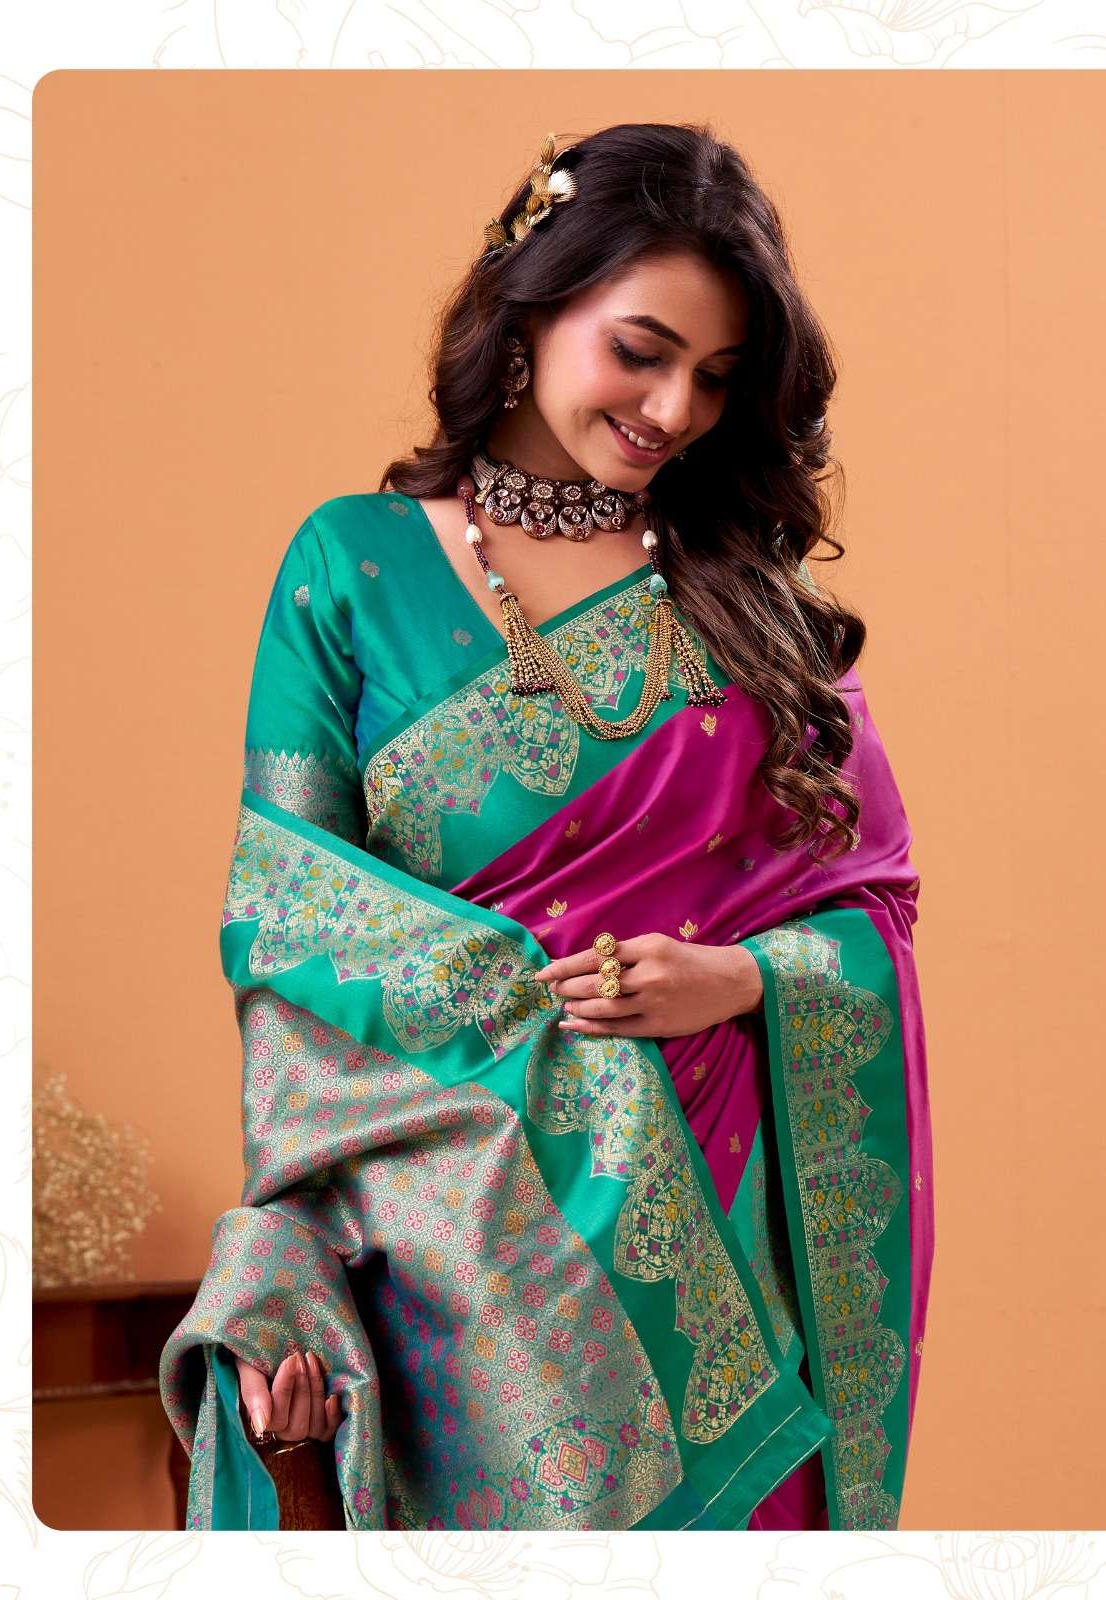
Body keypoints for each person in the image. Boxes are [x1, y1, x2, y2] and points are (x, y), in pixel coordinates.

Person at [159, 121, 934, 1533]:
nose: (674, 409)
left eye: (715, 377)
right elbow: (286, 930)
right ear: (529, 309)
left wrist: (737, 978)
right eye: (640, 350)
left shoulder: (749, 604)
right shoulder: (352, 566)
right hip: (456, 1259)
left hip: (721, 1243)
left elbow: (873, 907)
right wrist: (297, 1242)